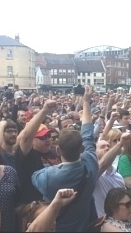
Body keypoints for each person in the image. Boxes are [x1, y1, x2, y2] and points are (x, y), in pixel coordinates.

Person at [31, 85, 98, 232]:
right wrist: (86, 102)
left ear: (58, 149)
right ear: (81, 148)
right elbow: (88, 133)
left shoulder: (48, 176)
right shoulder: (91, 163)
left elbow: (34, 176)